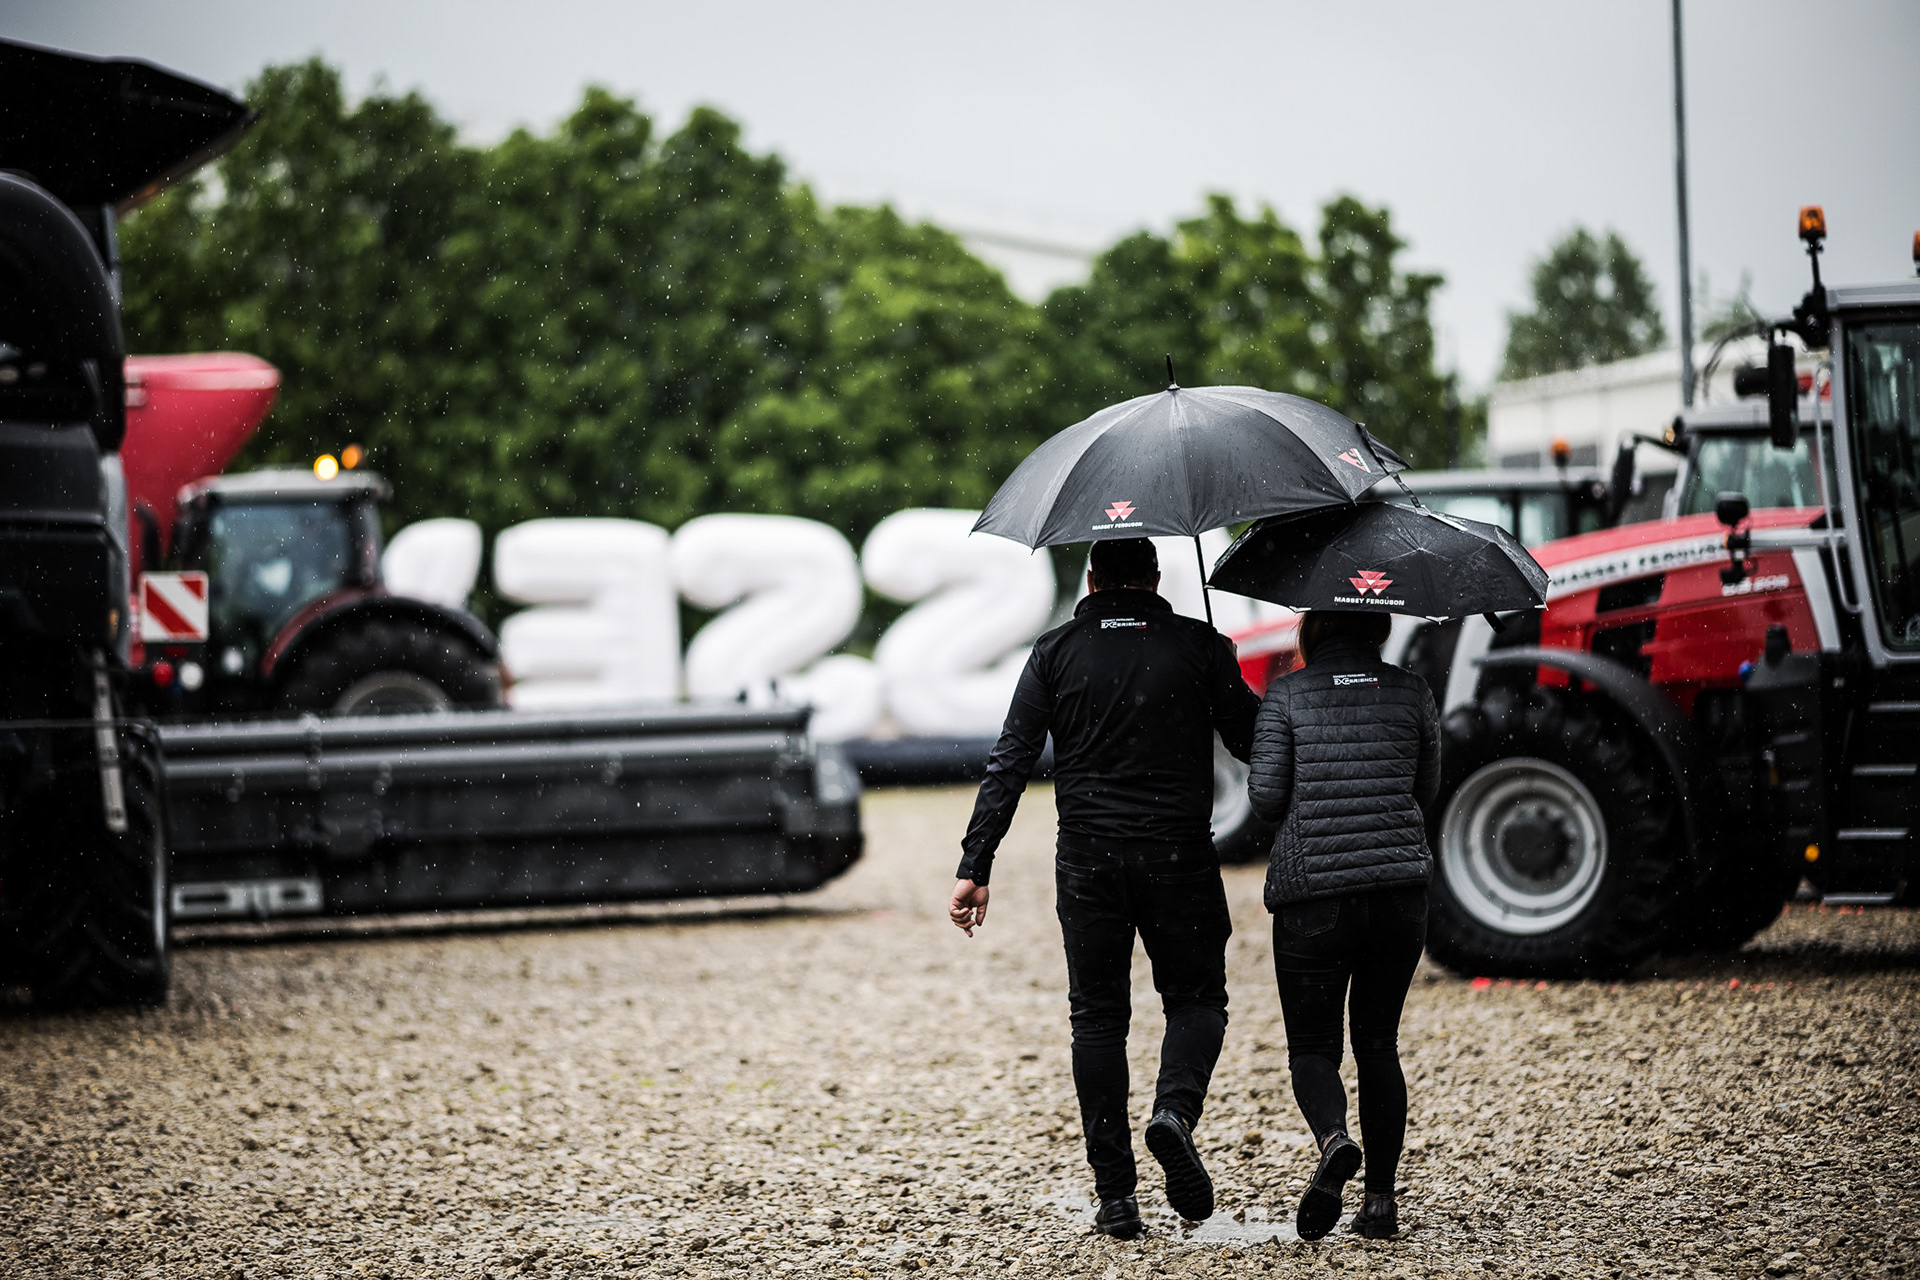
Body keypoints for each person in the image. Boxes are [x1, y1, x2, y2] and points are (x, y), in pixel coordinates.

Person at [947, 537, 1260, 1239]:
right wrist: (1222, 670)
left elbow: (1010, 761)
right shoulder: (1198, 644)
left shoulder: (1054, 651)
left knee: (1097, 1019)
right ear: (1155, 578)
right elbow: (1253, 742)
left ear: (1091, 581)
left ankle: (1116, 1196)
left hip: (1088, 860)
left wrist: (976, 863)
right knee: (1197, 999)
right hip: (1179, 855)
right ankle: (1173, 1113)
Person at [1246, 608, 1439, 1242]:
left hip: (1313, 896)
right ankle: (1380, 1201)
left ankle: (1333, 1139)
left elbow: (1266, 800)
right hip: (1398, 892)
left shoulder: (1286, 696)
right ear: (1378, 625)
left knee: (1313, 1048)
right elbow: (1426, 790)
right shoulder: (1412, 690)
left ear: (1312, 628)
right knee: (1378, 1044)